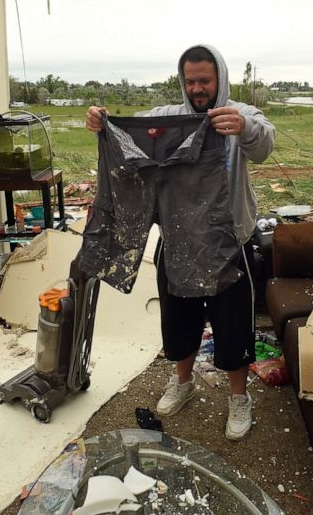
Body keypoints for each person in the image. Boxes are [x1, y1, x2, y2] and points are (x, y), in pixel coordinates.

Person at [86, 44, 275, 440]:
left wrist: (244, 127)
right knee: (179, 322)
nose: (197, 88)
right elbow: (129, 132)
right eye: (190, 81)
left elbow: (264, 145)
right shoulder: (168, 119)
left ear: (220, 78)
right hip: (178, 240)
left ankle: (238, 398)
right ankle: (183, 382)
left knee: (233, 326)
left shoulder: (239, 114)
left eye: (204, 80)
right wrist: (102, 123)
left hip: (230, 240)